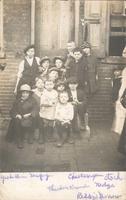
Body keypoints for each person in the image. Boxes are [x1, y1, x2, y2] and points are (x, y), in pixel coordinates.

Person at [9, 84, 39, 148]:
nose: (25, 94)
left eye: (27, 93)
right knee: (16, 121)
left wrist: (30, 114)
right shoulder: (17, 101)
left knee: (35, 117)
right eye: (23, 93)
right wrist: (17, 115)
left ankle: (31, 135)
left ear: (29, 93)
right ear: (21, 93)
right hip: (20, 118)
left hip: (29, 118)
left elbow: (36, 109)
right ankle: (19, 140)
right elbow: (12, 110)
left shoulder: (33, 100)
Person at [32, 78, 45, 144]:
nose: (41, 84)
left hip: (45, 110)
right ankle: (32, 134)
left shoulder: (46, 91)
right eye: (39, 83)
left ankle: (41, 135)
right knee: (36, 115)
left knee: (41, 116)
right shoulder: (32, 92)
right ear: (36, 84)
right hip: (35, 110)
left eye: (42, 82)